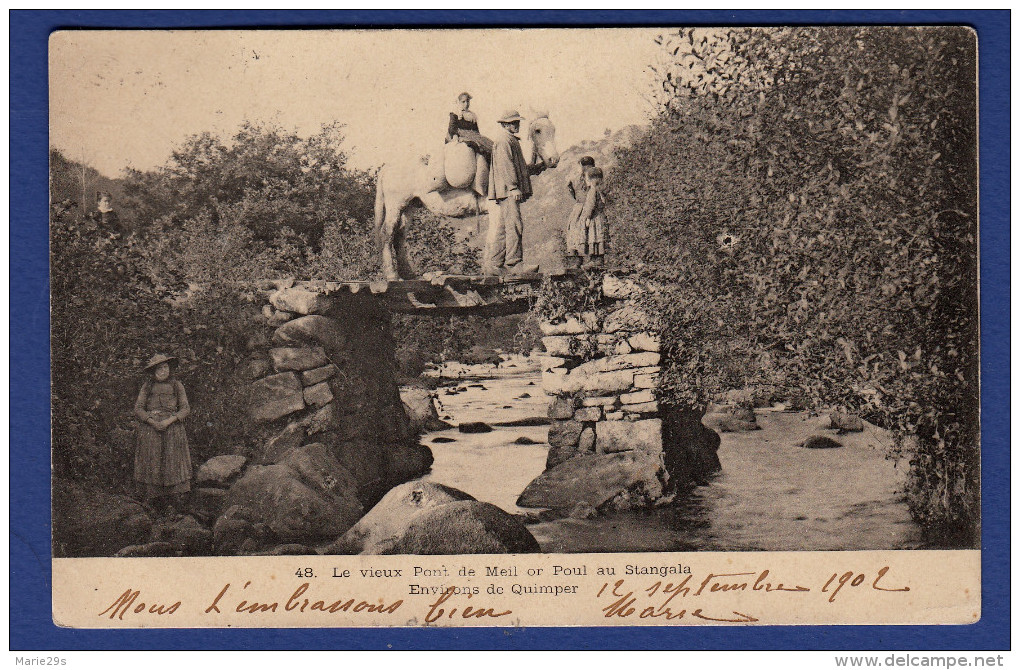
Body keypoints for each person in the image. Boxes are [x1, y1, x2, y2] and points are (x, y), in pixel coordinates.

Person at [483, 109, 545, 275]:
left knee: (504, 229)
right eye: (513, 123)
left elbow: (520, 168)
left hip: (505, 193)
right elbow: (506, 166)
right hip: (508, 192)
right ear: (504, 124)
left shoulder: (510, 140)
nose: (517, 125)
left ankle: (495, 264)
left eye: (517, 122)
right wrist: (513, 187)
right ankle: (514, 264)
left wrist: (539, 167)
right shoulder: (504, 141)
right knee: (515, 225)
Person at [133, 353, 193, 516]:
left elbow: (185, 408)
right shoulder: (147, 386)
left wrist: (168, 421)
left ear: (170, 369)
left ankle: (175, 501)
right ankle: (154, 501)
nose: (163, 371)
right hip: (151, 429)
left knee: (173, 460)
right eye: (159, 368)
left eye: (165, 367)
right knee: (152, 459)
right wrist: (152, 422)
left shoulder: (177, 385)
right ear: (153, 371)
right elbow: (138, 409)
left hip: (172, 428)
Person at [565, 157, 596, 268]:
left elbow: (572, 192)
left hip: (580, 207)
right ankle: (590, 260)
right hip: (588, 206)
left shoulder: (575, 178)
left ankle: (577, 260)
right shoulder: (593, 177)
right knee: (591, 232)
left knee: (576, 233)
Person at [446, 92, 491, 158]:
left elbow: (476, 130)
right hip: (460, 136)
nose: (466, 104)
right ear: (459, 102)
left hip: (472, 135)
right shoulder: (455, 113)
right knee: (475, 145)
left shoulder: (472, 115)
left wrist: (479, 138)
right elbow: (451, 128)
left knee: (488, 144)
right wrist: (457, 136)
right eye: (463, 102)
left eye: (467, 101)